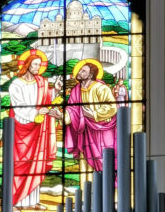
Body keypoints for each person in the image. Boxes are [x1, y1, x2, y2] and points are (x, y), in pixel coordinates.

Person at [9, 49, 61, 212]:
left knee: (36, 163)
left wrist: (57, 91)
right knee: (20, 165)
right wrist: (37, 113)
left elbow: (47, 99)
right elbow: (18, 108)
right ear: (27, 65)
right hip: (22, 128)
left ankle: (31, 202)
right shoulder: (16, 84)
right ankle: (14, 202)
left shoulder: (42, 82)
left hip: (39, 129)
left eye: (40, 65)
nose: (38, 67)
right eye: (35, 64)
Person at [50, 59, 117, 187]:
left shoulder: (100, 88)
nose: (79, 72)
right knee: (85, 163)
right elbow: (72, 111)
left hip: (101, 133)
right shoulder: (76, 90)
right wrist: (61, 116)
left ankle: (108, 197)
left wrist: (94, 114)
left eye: (83, 71)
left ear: (91, 75)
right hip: (84, 133)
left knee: (103, 162)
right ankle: (86, 198)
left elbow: (112, 107)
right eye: (80, 70)